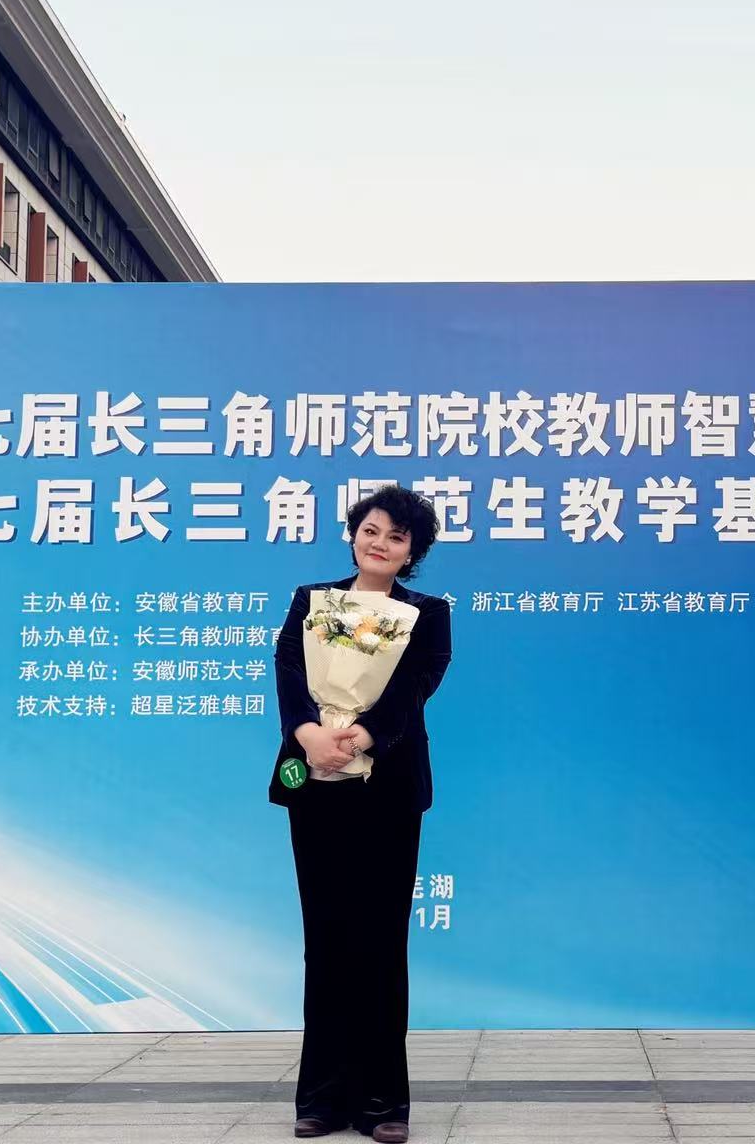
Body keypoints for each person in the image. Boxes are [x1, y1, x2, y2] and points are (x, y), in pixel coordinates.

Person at [269, 484, 452, 1142]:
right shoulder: (311, 600)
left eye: (396, 537)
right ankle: (321, 1099)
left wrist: (364, 735)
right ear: (353, 535)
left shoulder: (428, 614)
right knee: (325, 938)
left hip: (389, 787)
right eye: (371, 530)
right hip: (314, 777)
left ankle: (382, 1103)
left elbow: (418, 682)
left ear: (412, 553)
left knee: (380, 940)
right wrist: (308, 734)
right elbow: (289, 665)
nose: (380, 543)